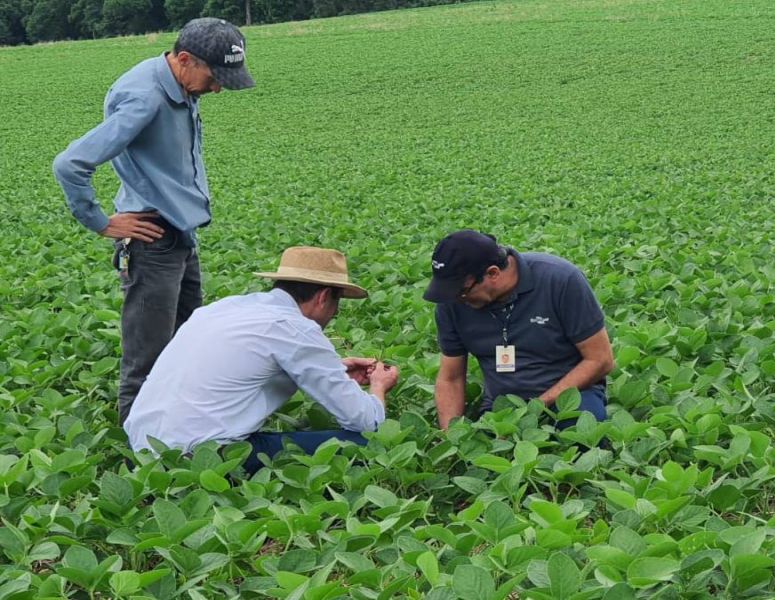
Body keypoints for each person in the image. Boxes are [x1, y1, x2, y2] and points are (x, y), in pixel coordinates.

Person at [52, 18, 255, 426]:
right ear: (184, 59)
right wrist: (100, 222)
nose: (217, 89)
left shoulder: (178, 83)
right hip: (152, 240)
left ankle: (181, 431)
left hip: (181, 233)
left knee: (187, 343)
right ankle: (141, 458)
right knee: (148, 358)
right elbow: (70, 164)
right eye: (215, 77)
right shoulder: (144, 97)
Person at [124, 247, 398, 472]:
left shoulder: (223, 308)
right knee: (366, 444)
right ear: (324, 297)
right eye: (337, 304)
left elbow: (244, 367)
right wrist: (378, 387)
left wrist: (336, 371)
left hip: (144, 449)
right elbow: (365, 422)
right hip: (199, 458)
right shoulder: (296, 328)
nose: (334, 314)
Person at [423, 230, 615, 430]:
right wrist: (450, 437)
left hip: (572, 395)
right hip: (504, 405)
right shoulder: (453, 300)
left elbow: (600, 359)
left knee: (583, 432)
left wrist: (536, 408)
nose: (456, 299)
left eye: (462, 292)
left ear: (493, 273)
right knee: (484, 454)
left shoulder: (560, 279)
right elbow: (451, 378)